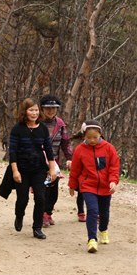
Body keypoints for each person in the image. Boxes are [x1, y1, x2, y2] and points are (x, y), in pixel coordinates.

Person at [68, 120, 120, 253]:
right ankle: (92, 239)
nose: (92, 140)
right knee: (91, 210)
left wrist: (113, 181)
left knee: (104, 213)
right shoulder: (80, 150)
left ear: (101, 135)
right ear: (84, 136)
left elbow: (114, 166)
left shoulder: (109, 148)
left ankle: (103, 230)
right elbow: (75, 169)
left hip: (105, 186)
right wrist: (72, 185)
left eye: (95, 138)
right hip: (88, 186)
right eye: (88, 138)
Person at [8, 98, 57, 240]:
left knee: (41, 198)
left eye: (36, 110)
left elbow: (48, 149)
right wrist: (15, 171)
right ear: (25, 111)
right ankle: (19, 216)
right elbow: (13, 151)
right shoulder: (17, 129)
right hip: (22, 169)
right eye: (31, 110)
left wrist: (52, 169)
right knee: (22, 199)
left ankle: (37, 228)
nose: (34, 113)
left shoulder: (42, 128)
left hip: (39, 169)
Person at [39, 94, 74, 227]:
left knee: (53, 190)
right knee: (43, 188)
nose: (51, 111)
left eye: (54, 108)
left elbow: (65, 143)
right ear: (42, 109)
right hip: (40, 163)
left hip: (55, 163)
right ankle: (42, 214)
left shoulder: (60, 125)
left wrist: (69, 157)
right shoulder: (37, 122)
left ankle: (48, 212)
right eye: (48, 108)